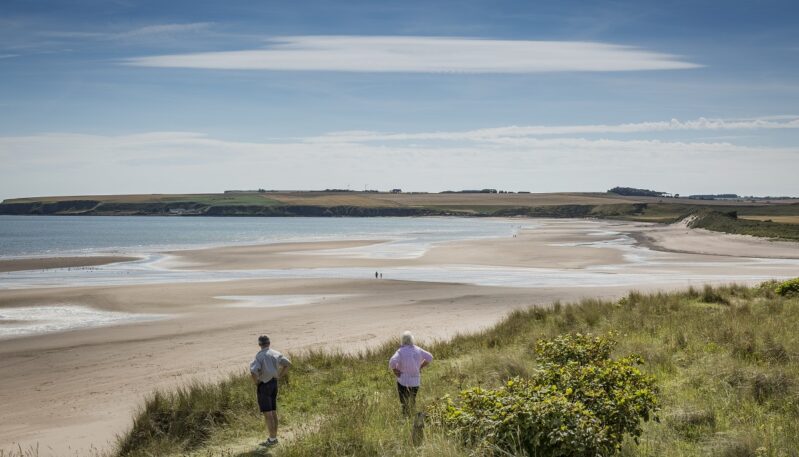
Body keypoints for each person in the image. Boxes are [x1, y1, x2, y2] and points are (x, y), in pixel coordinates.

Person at [250, 335, 291, 447]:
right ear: (269, 343)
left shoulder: (259, 356)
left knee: (268, 414)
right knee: (273, 411)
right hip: (274, 383)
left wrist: (256, 382)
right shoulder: (275, 353)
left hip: (264, 385)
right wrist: (279, 376)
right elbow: (288, 364)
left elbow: (253, 371)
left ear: (259, 344)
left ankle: (272, 440)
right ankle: (274, 437)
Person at [388, 331, 433, 416]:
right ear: (412, 339)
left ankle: (406, 417)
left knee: (404, 402)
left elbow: (392, 361)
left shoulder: (400, 351)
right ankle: (412, 416)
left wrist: (395, 370)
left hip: (403, 381)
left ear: (402, 340)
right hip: (415, 381)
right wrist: (420, 366)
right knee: (412, 400)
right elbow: (430, 357)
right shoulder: (418, 349)